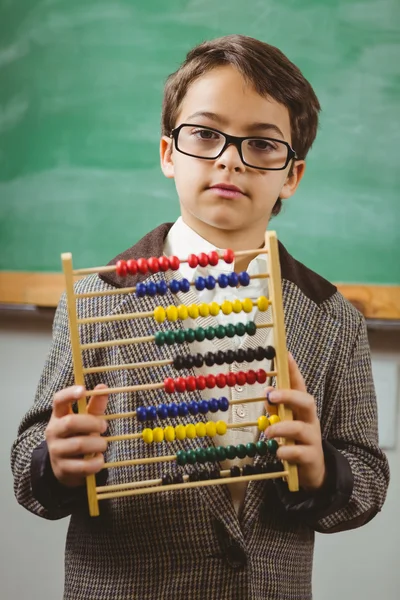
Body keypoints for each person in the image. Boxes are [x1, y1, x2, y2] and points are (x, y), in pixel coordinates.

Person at [11, 35, 389, 600]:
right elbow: (28, 465)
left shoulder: (330, 318)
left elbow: (367, 478)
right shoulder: (97, 297)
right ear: (168, 153)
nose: (229, 159)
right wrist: (55, 462)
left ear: (292, 175)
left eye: (262, 144)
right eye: (206, 135)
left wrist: (322, 470)